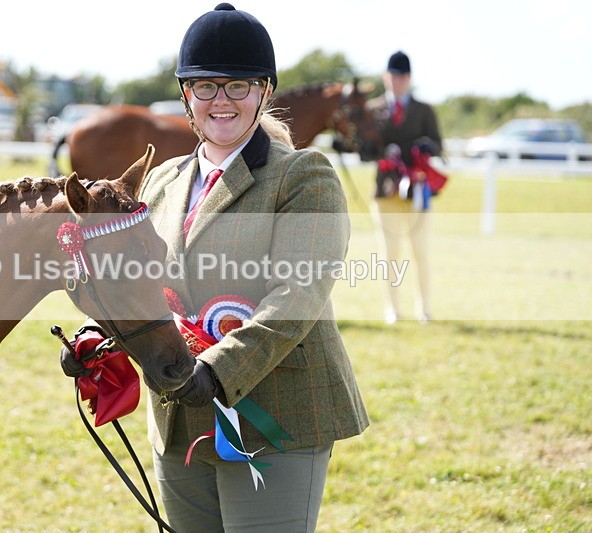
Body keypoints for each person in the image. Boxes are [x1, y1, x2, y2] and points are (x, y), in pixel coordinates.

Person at [62, 4, 368, 532]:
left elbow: (296, 297)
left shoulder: (302, 176)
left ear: (264, 92)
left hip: (277, 420)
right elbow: (137, 285)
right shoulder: (160, 182)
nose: (220, 100)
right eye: (205, 86)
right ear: (186, 95)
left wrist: (216, 371)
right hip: (179, 420)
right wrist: (98, 337)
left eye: (238, 86)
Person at [367, 50, 444, 324]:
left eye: (402, 76)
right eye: (393, 75)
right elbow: (366, 149)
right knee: (390, 253)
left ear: (408, 78)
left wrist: (426, 147)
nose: (397, 81)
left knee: (420, 250)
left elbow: (438, 144)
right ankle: (392, 309)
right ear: (385, 77)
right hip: (385, 191)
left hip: (417, 190)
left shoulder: (424, 110)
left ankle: (423, 308)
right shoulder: (373, 110)